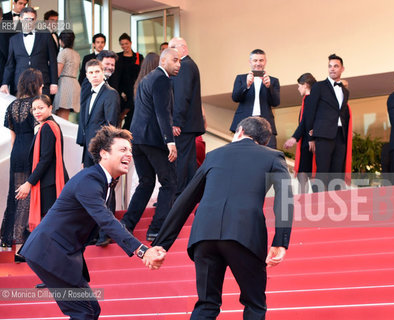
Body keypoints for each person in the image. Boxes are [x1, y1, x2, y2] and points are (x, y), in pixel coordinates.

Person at [152, 116, 293, 319]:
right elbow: (284, 199)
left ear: (240, 131)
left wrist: (162, 243)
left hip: (204, 236)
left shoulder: (214, 156)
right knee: (254, 303)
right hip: (244, 236)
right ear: (264, 141)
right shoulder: (273, 157)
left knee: (207, 304)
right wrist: (281, 241)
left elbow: (186, 199)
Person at [20, 125, 166, 320]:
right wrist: (142, 250)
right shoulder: (89, 180)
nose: (129, 155)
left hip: (58, 254)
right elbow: (106, 220)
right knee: (84, 311)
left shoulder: (104, 183)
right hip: (49, 253)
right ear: (104, 154)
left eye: (130, 150)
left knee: (89, 310)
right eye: (122, 150)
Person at [120, 48, 180, 241]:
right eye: (175, 60)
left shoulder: (146, 79)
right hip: (154, 140)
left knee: (146, 183)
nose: (179, 64)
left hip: (137, 140)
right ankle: (156, 228)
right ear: (163, 61)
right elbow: (162, 112)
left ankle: (126, 224)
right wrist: (169, 140)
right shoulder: (162, 79)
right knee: (169, 183)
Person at [1, 68, 42, 252]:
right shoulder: (36, 104)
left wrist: (15, 154)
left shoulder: (12, 106)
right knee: (32, 196)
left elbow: (12, 138)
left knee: (16, 197)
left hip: (16, 152)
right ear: (36, 84)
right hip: (31, 151)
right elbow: (38, 133)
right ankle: (27, 245)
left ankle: (12, 242)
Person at [15, 95, 69, 230]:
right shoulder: (48, 126)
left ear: (50, 108)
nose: (37, 112)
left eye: (41, 108)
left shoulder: (47, 127)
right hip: (49, 182)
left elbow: (45, 160)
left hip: (49, 184)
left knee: (50, 226)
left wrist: (29, 183)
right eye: (34, 109)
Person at [307, 54, 351, 190]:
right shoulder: (319, 87)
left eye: (336, 66)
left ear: (342, 69)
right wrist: (310, 137)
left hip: (340, 135)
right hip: (323, 135)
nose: (332, 69)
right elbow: (310, 112)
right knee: (323, 172)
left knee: (337, 174)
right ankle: (317, 205)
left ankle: (336, 205)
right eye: (330, 66)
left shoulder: (345, 91)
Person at [168, 37, 205, 195]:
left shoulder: (184, 66)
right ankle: (189, 195)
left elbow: (182, 97)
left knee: (182, 161)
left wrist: (176, 122)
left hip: (183, 125)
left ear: (182, 48)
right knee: (188, 162)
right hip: (188, 124)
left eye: (172, 48)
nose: (169, 52)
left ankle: (180, 196)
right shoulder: (189, 65)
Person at [0, 7, 58, 97]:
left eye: (32, 19)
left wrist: (54, 82)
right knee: (22, 110)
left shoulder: (45, 36)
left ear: (35, 20)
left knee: (41, 110)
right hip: (21, 85)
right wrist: (5, 83)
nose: (29, 22)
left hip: (42, 83)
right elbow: (10, 65)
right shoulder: (14, 40)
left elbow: (53, 61)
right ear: (21, 19)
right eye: (26, 19)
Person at [231, 49, 280, 149]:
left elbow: (276, 102)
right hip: (244, 124)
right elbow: (235, 98)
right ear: (250, 62)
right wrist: (246, 85)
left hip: (265, 125)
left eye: (261, 60)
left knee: (268, 154)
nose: (258, 63)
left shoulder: (273, 81)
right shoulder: (240, 78)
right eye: (255, 60)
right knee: (241, 155)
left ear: (265, 62)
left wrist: (269, 87)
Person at [76, 59, 120, 168]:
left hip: (102, 151)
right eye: (91, 72)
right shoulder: (89, 95)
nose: (94, 75)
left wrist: (104, 151)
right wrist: (84, 158)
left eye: (97, 72)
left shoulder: (110, 93)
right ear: (87, 75)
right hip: (89, 152)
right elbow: (87, 127)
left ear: (102, 72)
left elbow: (111, 125)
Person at [284, 73, 317, 193]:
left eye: (299, 86)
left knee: (305, 174)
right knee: (305, 174)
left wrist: (295, 138)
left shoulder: (310, 99)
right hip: (307, 140)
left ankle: (303, 202)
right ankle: (304, 201)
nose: (298, 88)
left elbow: (307, 122)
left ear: (306, 85)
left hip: (308, 142)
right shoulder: (309, 99)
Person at [116, 33, 144, 130]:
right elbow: (116, 75)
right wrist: (119, 91)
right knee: (119, 116)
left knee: (132, 114)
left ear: (131, 43)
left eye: (126, 43)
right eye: (122, 44)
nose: (124, 46)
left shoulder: (138, 57)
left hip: (135, 89)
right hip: (122, 90)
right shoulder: (118, 57)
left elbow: (141, 74)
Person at [53, 30, 81, 120]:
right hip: (74, 83)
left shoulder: (63, 52)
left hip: (65, 84)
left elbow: (57, 72)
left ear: (61, 40)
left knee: (60, 117)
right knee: (65, 116)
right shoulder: (77, 54)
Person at [0, 0, 28, 85]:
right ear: (14, 3)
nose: (22, 6)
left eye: (24, 4)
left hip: (20, 61)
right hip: (3, 60)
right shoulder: (3, 17)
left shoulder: (28, 20)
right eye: (20, 3)